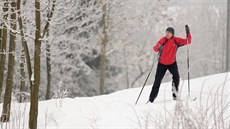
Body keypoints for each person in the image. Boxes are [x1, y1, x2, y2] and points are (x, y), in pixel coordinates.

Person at [148, 25, 192, 103]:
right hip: (162, 64)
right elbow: (155, 49)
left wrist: (188, 32)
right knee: (157, 81)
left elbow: (188, 41)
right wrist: (159, 46)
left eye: (169, 33)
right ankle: (151, 99)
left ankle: (175, 96)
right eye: (166, 32)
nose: (167, 34)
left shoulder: (176, 40)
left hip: (172, 63)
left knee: (176, 78)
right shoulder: (163, 40)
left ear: (172, 34)